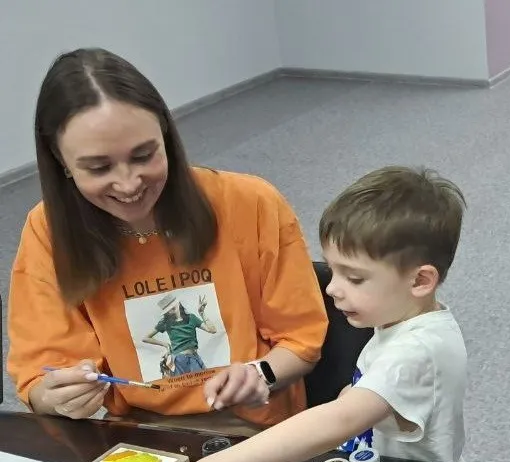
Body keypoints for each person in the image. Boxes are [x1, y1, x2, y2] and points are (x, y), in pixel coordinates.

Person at [122, 165, 469, 462]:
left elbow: (340, 419)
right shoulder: (400, 318)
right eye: (333, 270)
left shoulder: (417, 349)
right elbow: (366, 398)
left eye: (354, 278)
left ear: (420, 281)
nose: (332, 288)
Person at [6, 48, 327, 434]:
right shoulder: (48, 230)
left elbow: (302, 341)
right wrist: (58, 397)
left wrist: (261, 374)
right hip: (139, 431)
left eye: (144, 156)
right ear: (61, 161)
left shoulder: (250, 203)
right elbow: (40, 378)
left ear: (167, 136)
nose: (128, 184)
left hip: (254, 429)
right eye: (99, 168)